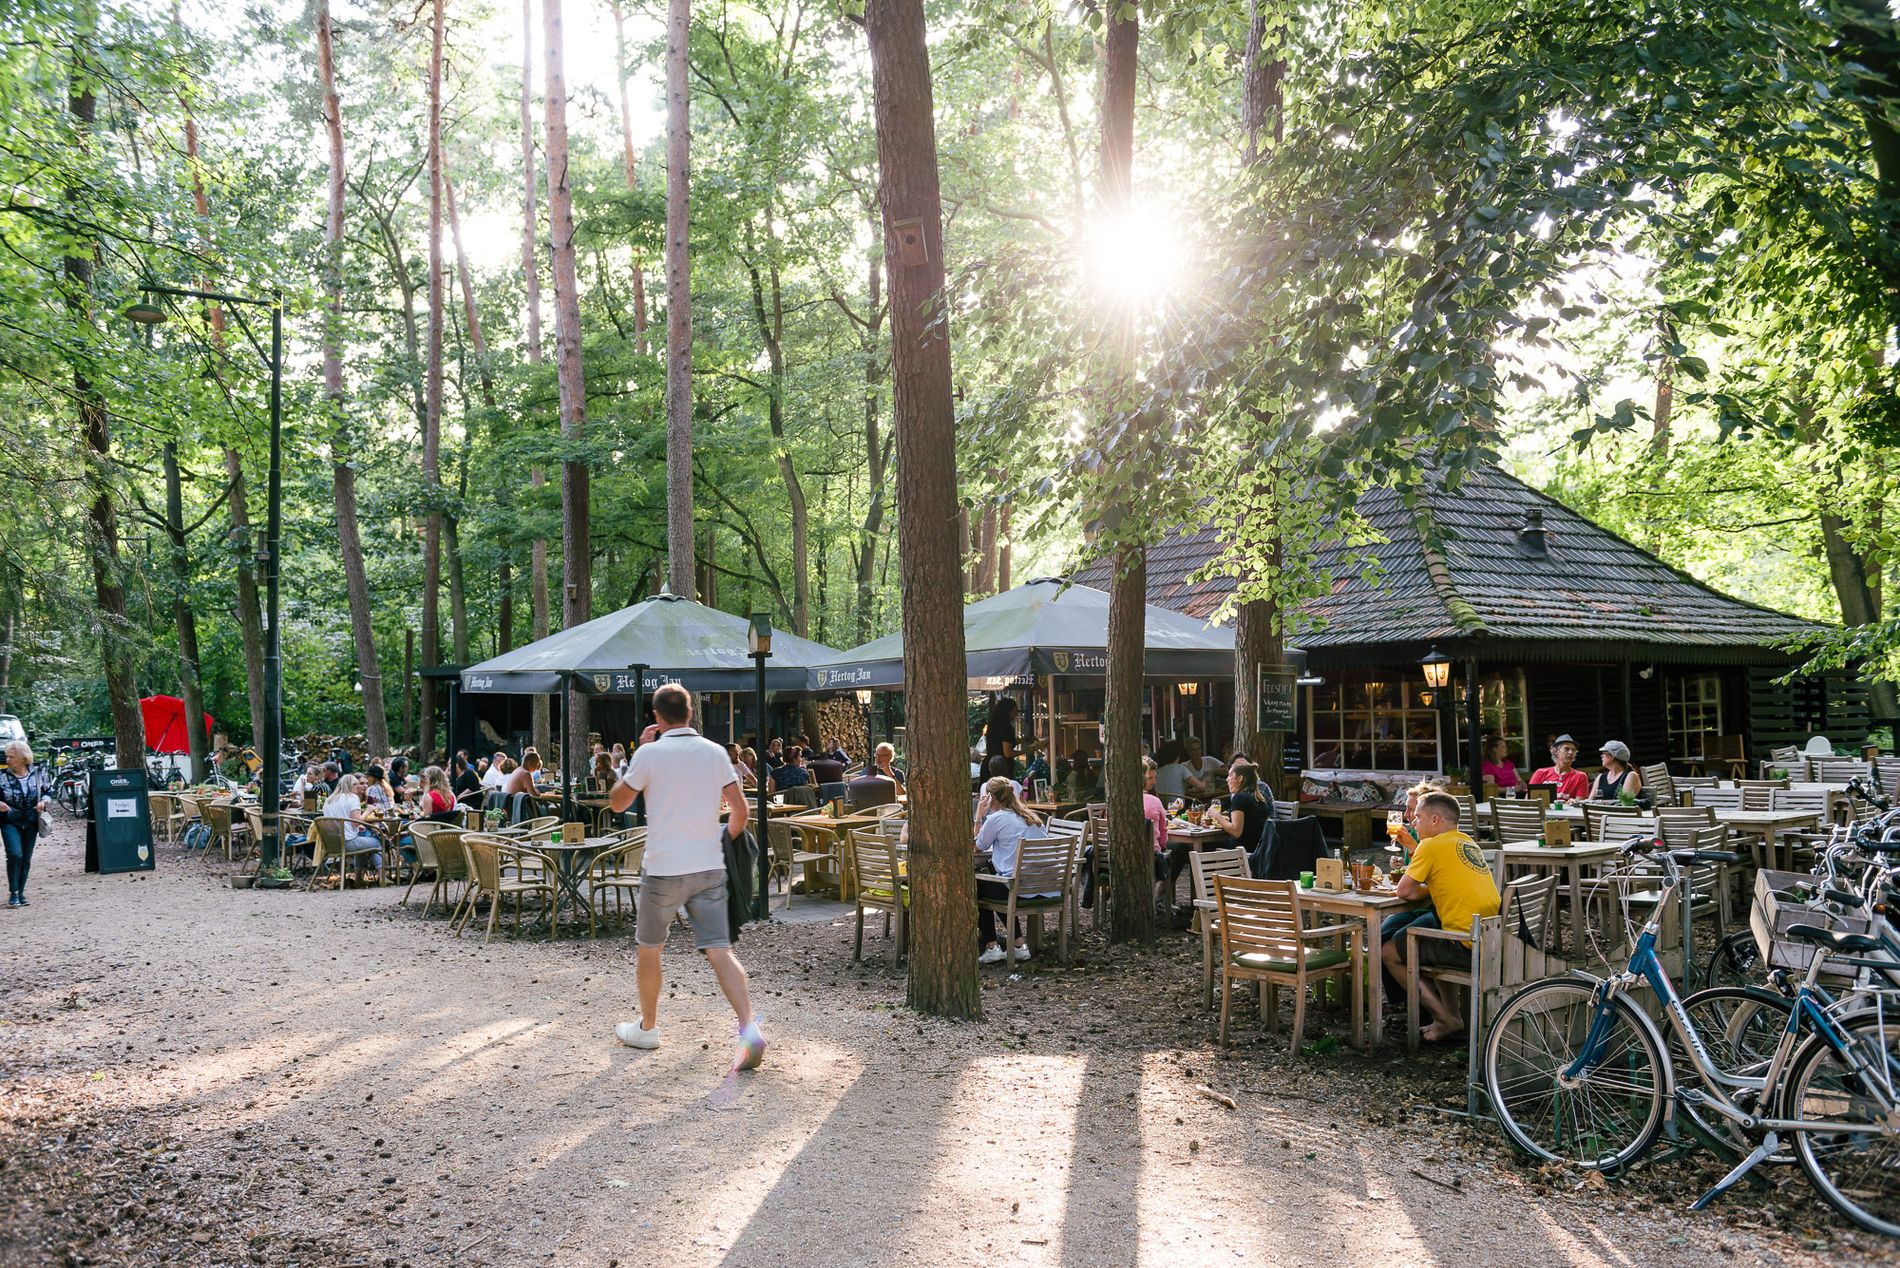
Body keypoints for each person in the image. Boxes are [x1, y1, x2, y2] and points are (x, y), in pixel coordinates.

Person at [608, 682, 762, 1070]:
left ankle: (648, 1027)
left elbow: (617, 802)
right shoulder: (714, 753)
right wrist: (720, 840)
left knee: (650, 947)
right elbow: (740, 812)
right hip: (708, 866)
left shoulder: (649, 753)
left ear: (657, 718)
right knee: (719, 949)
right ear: (691, 712)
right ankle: (749, 1029)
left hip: (662, 868)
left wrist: (634, 755)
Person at [1382, 791, 1502, 1042]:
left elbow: (1404, 891)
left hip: (1465, 944)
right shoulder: (1467, 842)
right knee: (1427, 933)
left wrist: (1424, 889)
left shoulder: (1431, 846)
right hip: (1491, 938)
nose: (1413, 824)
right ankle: (1453, 1017)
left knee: (1389, 952)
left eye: (1417, 818)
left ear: (1435, 819)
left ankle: (1443, 1018)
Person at [974, 776, 1043, 964]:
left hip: (1018, 888)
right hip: (1043, 886)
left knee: (975, 885)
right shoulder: (1032, 818)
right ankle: (1019, 944)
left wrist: (979, 815)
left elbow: (976, 847)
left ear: (989, 797)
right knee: (998, 880)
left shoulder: (995, 819)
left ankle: (992, 946)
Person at [1199, 760, 1270, 883]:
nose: (1227, 779)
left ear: (1240, 778)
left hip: (1242, 849)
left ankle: (1211, 889)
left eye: (1230, 775)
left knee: (1202, 847)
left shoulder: (1239, 797)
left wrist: (1216, 816)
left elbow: (1236, 831)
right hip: (1258, 848)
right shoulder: (1258, 797)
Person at [2, 741, 51, 907]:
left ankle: (21, 893)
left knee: (26, 859)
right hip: (9, 820)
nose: (7, 760)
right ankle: (13, 893)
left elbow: (47, 793)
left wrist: (43, 802)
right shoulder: (2, 775)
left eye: (11, 757)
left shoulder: (37, 773)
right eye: (7, 756)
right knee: (15, 854)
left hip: (31, 820)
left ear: (23, 758)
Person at [320, 775, 384, 875]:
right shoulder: (352, 798)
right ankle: (382, 876)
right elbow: (356, 822)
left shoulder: (329, 800)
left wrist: (357, 826)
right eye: (355, 784)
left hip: (331, 844)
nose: (358, 786)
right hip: (347, 843)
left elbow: (340, 820)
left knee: (361, 841)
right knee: (378, 842)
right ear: (349, 785)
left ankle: (359, 879)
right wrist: (368, 811)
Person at [1528, 735, 1591, 801]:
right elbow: (1529, 799)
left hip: (1569, 811)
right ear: (1556, 751)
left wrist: (1574, 802)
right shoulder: (1540, 773)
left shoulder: (1581, 776)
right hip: (1545, 811)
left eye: (1573, 750)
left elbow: (1580, 804)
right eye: (1566, 749)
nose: (1570, 752)